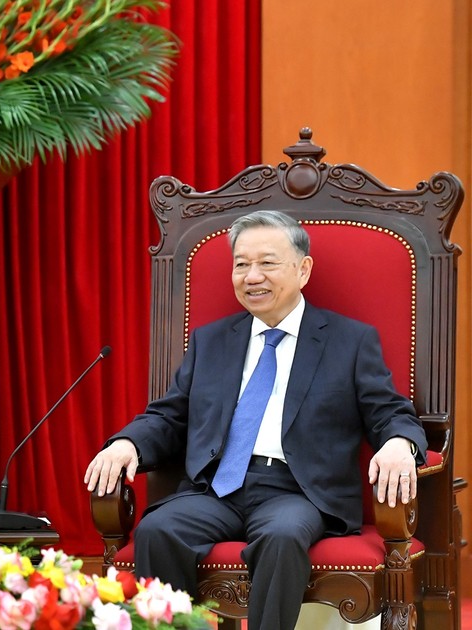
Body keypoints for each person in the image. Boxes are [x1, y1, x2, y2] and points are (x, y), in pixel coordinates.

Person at [83, 210, 425, 630]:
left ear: (303, 270)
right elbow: (171, 415)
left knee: (282, 537)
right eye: (241, 264)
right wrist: (127, 444)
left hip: (298, 492)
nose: (251, 275)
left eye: (267, 262)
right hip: (216, 489)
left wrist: (397, 443)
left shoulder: (349, 341)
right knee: (158, 529)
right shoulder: (212, 341)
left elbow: (390, 412)